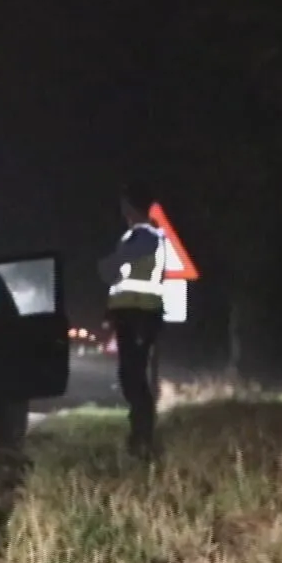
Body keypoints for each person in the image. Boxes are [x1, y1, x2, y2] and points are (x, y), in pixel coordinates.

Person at [97, 181, 168, 457]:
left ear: (132, 207)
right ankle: (139, 435)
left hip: (140, 314)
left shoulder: (146, 237)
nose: (122, 210)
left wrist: (108, 265)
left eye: (125, 205)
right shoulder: (136, 237)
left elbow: (110, 268)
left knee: (134, 376)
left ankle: (142, 437)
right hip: (132, 314)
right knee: (130, 375)